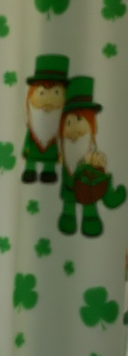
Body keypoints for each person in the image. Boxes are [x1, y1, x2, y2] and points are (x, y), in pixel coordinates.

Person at [57, 76, 126, 237]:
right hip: (69, 185)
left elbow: (98, 167)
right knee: (69, 199)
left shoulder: (91, 149)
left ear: (91, 124)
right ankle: (69, 215)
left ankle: (90, 217)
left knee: (89, 196)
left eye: (79, 120)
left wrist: (98, 164)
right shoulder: (65, 150)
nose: (73, 129)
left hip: (87, 185)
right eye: (68, 123)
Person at [21, 54, 67, 183]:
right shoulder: (33, 127)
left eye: (56, 93)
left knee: (50, 159)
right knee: (31, 158)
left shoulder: (56, 130)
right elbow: (28, 139)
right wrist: (25, 150)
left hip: (51, 149)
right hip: (34, 149)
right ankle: (30, 169)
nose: (48, 101)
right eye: (42, 93)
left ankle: (49, 170)